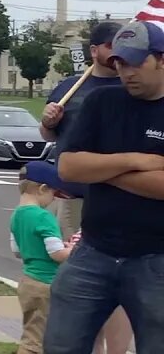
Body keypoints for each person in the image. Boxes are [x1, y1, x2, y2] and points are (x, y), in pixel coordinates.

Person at [45, 19, 164, 353]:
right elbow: (68, 167)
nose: (127, 72)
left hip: (155, 259)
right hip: (93, 252)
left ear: (162, 59)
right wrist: (135, 160)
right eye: (120, 62)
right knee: (61, 345)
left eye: (136, 61)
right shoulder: (102, 102)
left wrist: (99, 168)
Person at [40, 21, 123, 238]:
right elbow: (48, 135)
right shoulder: (68, 88)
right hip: (73, 194)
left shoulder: (131, 87)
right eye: (111, 45)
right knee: (69, 258)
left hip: (119, 194)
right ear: (94, 50)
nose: (119, 51)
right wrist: (48, 122)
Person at [9, 161, 75, 354]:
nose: (53, 199)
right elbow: (57, 255)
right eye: (53, 194)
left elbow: (17, 250)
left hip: (28, 282)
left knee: (31, 329)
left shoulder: (17, 215)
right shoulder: (44, 217)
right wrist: (75, 250)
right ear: (43, 189)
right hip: (46, 283)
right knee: (36, 341)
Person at [65, 228, 134, 354]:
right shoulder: (89, 229)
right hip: (91, 286)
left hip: (118, 286)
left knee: (112, 345)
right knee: (95, 341)